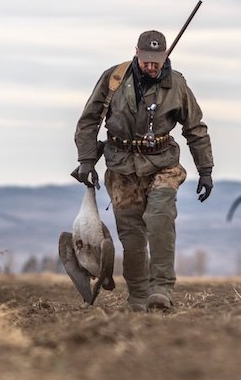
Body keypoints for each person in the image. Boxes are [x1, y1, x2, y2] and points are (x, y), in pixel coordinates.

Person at [73, 30, 214, 312]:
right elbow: (89, 121)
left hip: (162, 163)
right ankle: (138, 296)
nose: (152, 66)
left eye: (157, 61)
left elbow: (195, 129)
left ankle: (161, 290)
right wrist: (86, 160)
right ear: (136, 52)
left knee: (160, 217)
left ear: (165, 56)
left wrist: (205, 169)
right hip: (121, 166)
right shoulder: (113, 79)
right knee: (131, 234)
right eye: (147, 60)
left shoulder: (177, 85)